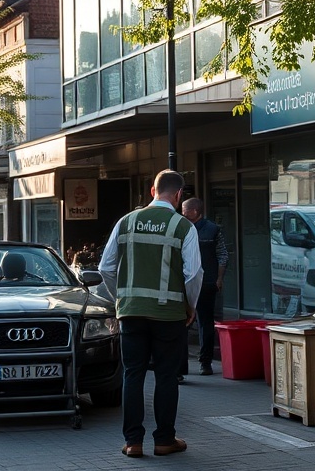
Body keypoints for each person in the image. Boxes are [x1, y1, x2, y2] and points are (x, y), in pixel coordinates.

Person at [99, 169, 202, 459]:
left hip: (131, 313)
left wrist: (122, 298)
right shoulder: (183, 227)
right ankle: (164, 440)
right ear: (179, 194)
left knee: (133, 375)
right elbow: (193, 273)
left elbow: (106, 267)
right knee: (167, 377)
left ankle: (133, 442)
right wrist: (189, 306)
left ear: (151, 191)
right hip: (169, 315)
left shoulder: (125, 222)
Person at [179, 198, 228, 377]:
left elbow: (222, 254)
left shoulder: (208, 230)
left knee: (199, 322)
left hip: (201, 282)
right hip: (195, 282)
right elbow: (223, 255)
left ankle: (200, 363)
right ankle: (192, 366)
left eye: (185, 209)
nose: (182, 212)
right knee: (197, 323)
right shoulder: (187, 227)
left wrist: (219, 278)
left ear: (195, 211)